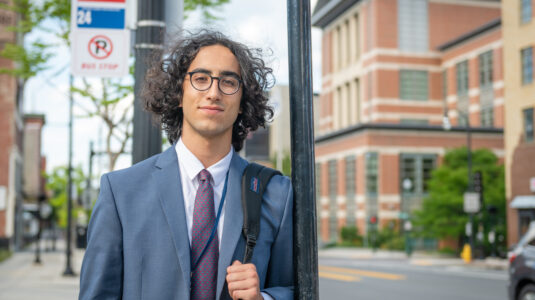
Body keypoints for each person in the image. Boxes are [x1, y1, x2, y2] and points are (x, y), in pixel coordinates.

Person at [79, 30, 294, 300]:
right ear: (179, 94)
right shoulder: (120, 191)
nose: (214, 92)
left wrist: (264, 299)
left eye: (228, 82)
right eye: (201, 79)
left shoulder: (276, 193)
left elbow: (292, 287)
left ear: (242, 102)